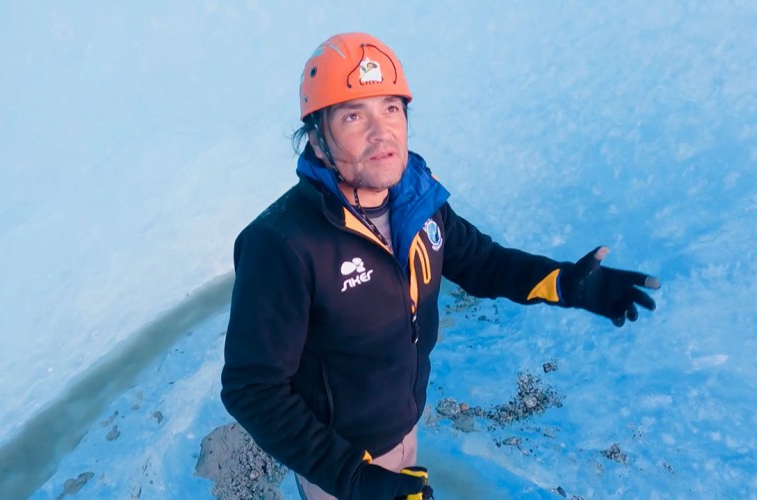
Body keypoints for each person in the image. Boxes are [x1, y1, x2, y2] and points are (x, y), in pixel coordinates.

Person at [220, 32, 660, 500]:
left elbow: (481, 261)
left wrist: (563, 283)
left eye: (391, 108)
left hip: (406, 422)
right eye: (353, 116)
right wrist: (355, 479)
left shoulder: (416, 200)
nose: (381, 131)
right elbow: (253, 389)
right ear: (317, 139)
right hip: (340, 465)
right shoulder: (282, 243)